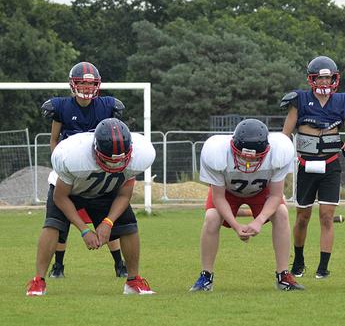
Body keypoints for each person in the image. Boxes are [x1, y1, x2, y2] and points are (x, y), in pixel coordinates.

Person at [27, 119, 157, 296]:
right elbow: (60, 197)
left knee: (128, 225)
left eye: (120, 161)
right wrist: (84, 230)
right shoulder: (72, 155)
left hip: (106, 191)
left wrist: (108, 222)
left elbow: (124, 195)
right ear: (95, 151)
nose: (114, 165)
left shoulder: (141, 155)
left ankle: (133, 281)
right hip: (70, 192)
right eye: (108, 160)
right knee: (53, 224)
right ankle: (38, 281)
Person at [189, 119, 303, 292]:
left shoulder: (280, 150)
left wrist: (259, 221)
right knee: (211, 217)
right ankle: (206, 276)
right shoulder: (216, 152)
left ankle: (283, 275)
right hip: (228, 192)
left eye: (255, 157)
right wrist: (235, 226)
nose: (247, 161)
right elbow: (218, 197)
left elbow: (275, 195)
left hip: (261, 191)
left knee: (281, 212)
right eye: (241, 155)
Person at [40, 61, 128, 279]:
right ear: (73, 84)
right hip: (70, 171)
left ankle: (120, 264)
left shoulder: (108, 105)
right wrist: (60, 166)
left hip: (98, 171)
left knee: (106, 219)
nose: (87, 88)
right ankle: (58, 266)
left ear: (97, 85)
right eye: (82, 83)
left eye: (91, 84)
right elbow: (54, 141)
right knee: (59, 221)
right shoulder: (61, 107)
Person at [281, 56, 345, 280]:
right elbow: (285, 136)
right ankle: (298, 260)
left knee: (326, 216)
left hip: (330, 165)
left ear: (334, 78)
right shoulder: (300, 100)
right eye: (321, 78)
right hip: (306, 165)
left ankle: (323, 267)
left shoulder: (343, 102)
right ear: (312, 79)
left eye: (328, 78)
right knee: (303, 217)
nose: (325, 82)